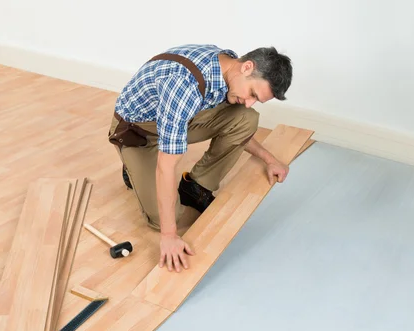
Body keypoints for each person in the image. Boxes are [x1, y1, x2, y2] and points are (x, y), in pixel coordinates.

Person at [107, 44, 293, 273]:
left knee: (245, 118)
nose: (249, 101)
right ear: (247, 67)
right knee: (164, 219)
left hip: (174, 117)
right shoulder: (184, 85)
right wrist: (169, 236)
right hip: (138, 133)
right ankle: (132, 168)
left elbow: (240, 128)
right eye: (253, 94)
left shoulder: (227, 68)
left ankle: (196, 186)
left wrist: (269, 159)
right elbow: (166, 167)